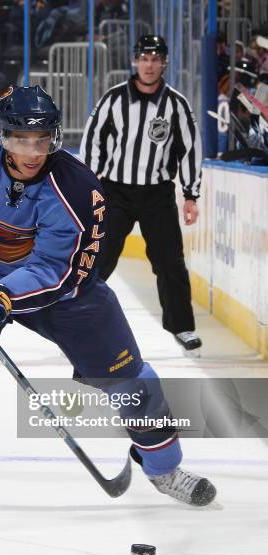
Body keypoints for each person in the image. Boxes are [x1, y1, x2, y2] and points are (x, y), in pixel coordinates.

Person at [0, 85, 216, 514]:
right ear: (1, 134)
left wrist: (2, 296)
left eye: (42, 139)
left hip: (60, 292)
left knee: (130, 381)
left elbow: (56, 271)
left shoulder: (78, 191)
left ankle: (163, 467)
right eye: (20, 139)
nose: (32, 151)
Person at [80, 35, 203, 355]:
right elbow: (93, 140)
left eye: (155, 58)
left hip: (158, 195)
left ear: (164, 63)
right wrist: (89, 186)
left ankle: (182, 326)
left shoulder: (176, 104)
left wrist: (191, 195)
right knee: (98, 259)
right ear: (135, 61)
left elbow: (190, 149)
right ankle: (83, 320)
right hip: (115, 192)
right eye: (144, 58)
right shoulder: (113, 99)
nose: (149, 65)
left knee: (170, 263)